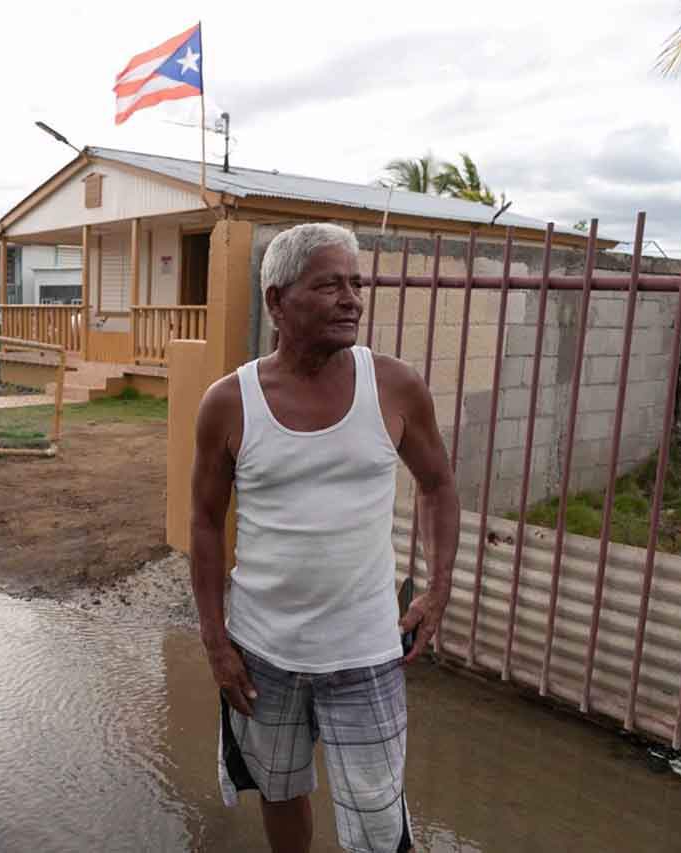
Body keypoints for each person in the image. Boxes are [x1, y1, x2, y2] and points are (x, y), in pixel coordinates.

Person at [189, 223, 460, 853]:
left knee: (376, 813)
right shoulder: (229, 403)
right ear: (277, 301)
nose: (352, 299)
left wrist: (436, 592)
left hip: (366, 651)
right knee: (280, 791)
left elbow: (438, 485)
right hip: (262, 652)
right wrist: (214, 641)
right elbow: (204, 522)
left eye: (356, 284)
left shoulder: (394, 387)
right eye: (329, 284)